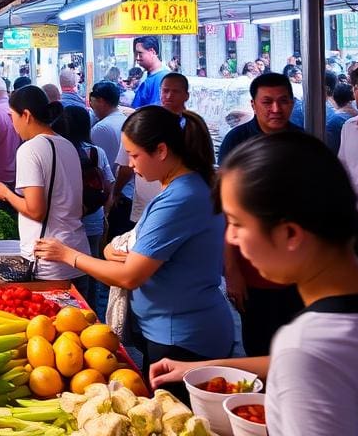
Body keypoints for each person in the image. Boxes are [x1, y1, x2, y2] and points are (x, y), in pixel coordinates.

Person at [149, 132, 358, 436]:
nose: (230, 238)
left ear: (290, 234)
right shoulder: (328, 334)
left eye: (237, 223)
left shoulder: (306, 347)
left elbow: (310, 359)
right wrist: (201, 368)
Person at [35, 106, 232, 393]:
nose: (130, 163)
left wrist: (69, 255)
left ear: (161, 150)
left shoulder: (181, 198)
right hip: (173, 328)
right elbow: (140, 249)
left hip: (183, 337)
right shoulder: (183, 188)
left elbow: (129, 276)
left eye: (135, 155)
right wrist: (113, 250)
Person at [218, 72, 305, 356]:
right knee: (258, 344)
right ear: (253, 104)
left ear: (292, 104)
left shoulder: (301, 142)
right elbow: (226, 209)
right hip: (252, 265)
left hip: (297, 266)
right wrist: (232, 270)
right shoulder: (237, 141)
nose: (276, 109)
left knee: (296, 347)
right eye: (267, 102)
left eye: (283, 101)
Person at [0, 86, 89, 288]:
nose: (12, 123)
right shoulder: (66, 144)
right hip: (75, 252)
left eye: (12, 116)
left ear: (26, 115)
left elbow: (35, 211)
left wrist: (5, 193)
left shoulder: (29, 150)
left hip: (49, 261)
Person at [112, 73, 200, 232]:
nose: (169, 96)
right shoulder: (142, 123)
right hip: (144, 203)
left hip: (176, 205)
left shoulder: (193, 128)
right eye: (165, 90)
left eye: (175, 91)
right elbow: (125, 166)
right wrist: (116, 192)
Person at [53, 105, 114, 306]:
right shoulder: (97, 153)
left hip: (64, 220)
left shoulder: (57, 152)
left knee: (65, 270)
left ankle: (66, 309)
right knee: (92, 269)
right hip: (92, 220)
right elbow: (108, 186)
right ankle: (92, 313)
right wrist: (103, 211)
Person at [89, 81, 130, 237]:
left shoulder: (102, 128)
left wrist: (111, 196)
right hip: (126, 194)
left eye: (92, 100)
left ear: (101, 101)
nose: (91, 105)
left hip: (116, 195)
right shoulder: (124, 120)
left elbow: (100, 169)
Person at [338, 63, 358, 217]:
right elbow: (342, 169)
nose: (353, 91)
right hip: (356, 216)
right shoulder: (349, 126)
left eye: (356, 87)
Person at [131, 36, 167, 108]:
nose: (137, 58)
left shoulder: (163, 78)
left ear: (152, 52)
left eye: (140, 54)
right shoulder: (146, 75)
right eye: (136, 54)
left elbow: (156, 110)